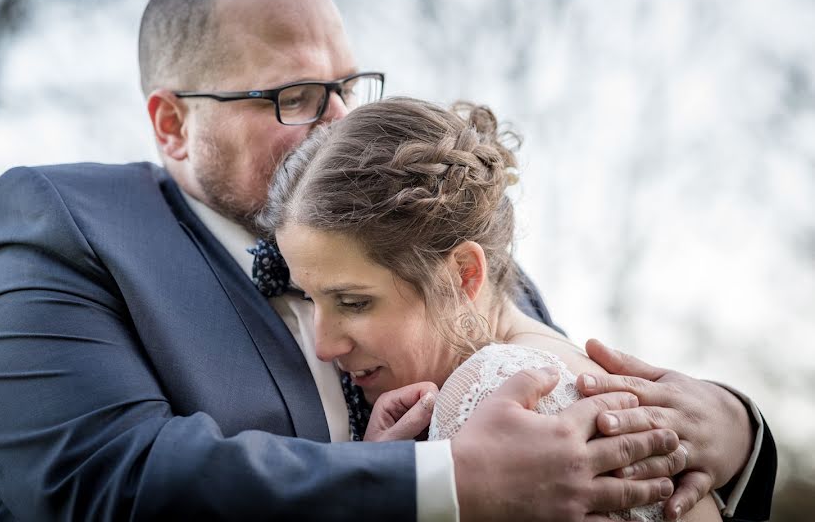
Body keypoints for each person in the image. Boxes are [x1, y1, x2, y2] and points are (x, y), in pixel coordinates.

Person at [0, 0, 775, 521]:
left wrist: (735, 431)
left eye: (349, 87)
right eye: (296, 94)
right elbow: (96, 477)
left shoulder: (433, 249)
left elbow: (578, 417)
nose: (339, 122)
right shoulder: (63, 218)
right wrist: (452, 483)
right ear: (173, 123)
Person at [260, 98, 738, 520]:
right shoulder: (566, 365)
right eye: (309, 296)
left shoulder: (493, 397)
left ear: (463, 273)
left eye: (353, 301)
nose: (323, 345)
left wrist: (380, 494)